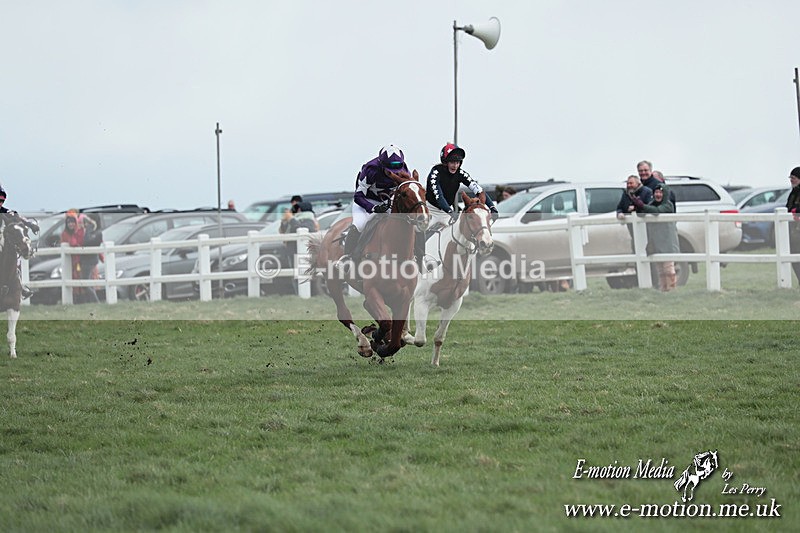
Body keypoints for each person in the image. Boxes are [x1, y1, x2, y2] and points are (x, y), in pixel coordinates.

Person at [336, 145, 410, 273]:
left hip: (387, 202)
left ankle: (420, 257)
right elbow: (358, 196)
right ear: (381, 164)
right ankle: (347, 258)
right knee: (360, 224)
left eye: (396, 169)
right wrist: (374, 208)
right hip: (365, 202)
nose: (394, 173)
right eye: (389, 169)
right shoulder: (370, 169)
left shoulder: (404, 169)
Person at [632, 183, 679, 291]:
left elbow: (657, 211)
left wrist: (642, 206)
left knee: (668, 268)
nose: (658, 195)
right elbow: (642, 213)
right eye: (656, 192)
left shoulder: (668, 205)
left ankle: (671, 290)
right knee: (660, 270)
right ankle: (663, 289)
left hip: (667, 241)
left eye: (660, 192)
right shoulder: (651, 203)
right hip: (655, 241)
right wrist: (637, 206)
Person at [0, 185, 39, 299]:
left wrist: (31, 225)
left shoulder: (7, 212)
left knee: (13, 256)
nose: (1, 203)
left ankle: (19, 285)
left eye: (2, 200)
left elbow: (20, 218)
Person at [61, 211, 100, 303]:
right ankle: (89, 301)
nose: (71, 224)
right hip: (75, 261)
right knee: (82, 282)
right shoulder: (70, 233)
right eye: (69, 222)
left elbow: (89, 243)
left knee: (86, 282)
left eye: (73, 222)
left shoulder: (85, 231)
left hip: (85, 260)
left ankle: (94, 301)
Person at [785, 167, 800, 284]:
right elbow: (788, 208)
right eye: (790, 178)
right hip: (794, 231)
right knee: (793, 256)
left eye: (793, 178)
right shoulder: (793, 193)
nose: (791, 180)